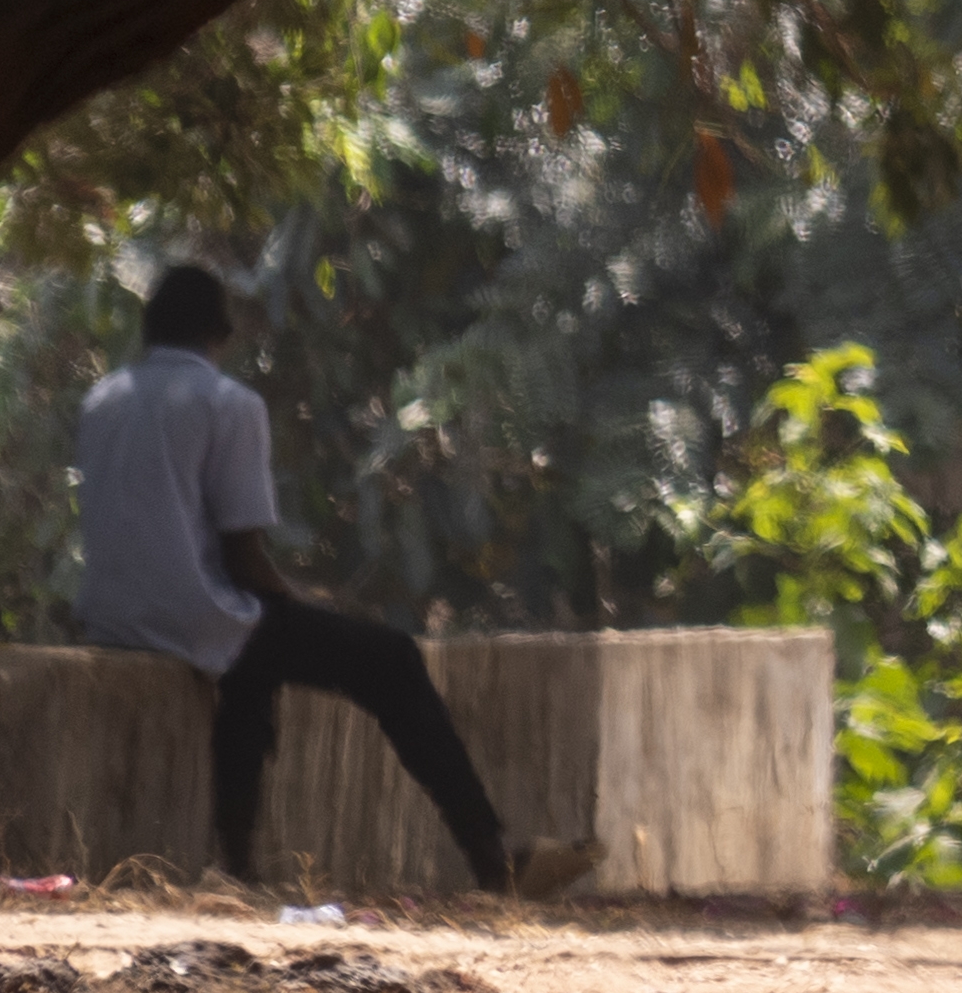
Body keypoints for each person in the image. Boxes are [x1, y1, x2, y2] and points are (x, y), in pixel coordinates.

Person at [74, 267, 593, 901]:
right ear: (222, 331)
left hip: (110, 612)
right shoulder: (227, 404)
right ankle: (489, 855)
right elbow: (244, 558)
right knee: (389, 659)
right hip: (193, 613)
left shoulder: (101, 400)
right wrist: (306, 603)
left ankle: (236, 865)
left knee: (250, 671)